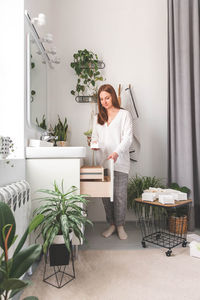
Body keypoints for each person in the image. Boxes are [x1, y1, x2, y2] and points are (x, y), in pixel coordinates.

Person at [91, 84, 133, 240]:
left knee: (120, 195)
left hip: (120, 162)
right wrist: (95, 145)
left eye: (107, 98)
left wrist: (116, 153)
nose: (104, 101)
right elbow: (95, 138)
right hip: (104, 163)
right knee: (106, 196)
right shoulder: (98, 118)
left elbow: (128, 138)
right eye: (101, 99)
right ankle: (112, 225)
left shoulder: (124, 115)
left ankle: (120, 226)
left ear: (113, 96)